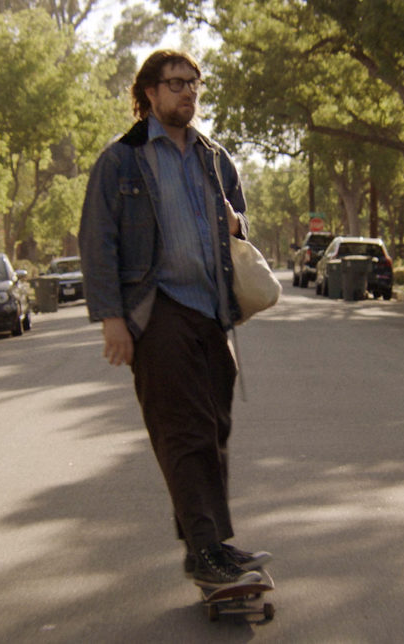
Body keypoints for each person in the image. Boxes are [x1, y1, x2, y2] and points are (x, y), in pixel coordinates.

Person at [79, 50, 271, 587]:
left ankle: (207, 545)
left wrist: (236, 224)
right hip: (157, 306)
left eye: (194, 83)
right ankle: (209, 550)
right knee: (184, 431)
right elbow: (98, 240)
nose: (188, 92)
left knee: (213, 429)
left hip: (212, 308)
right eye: (176, 83)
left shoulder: (215, 157)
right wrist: (111, 318)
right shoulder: (122, 160)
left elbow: (240, 222)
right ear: (150, 93)